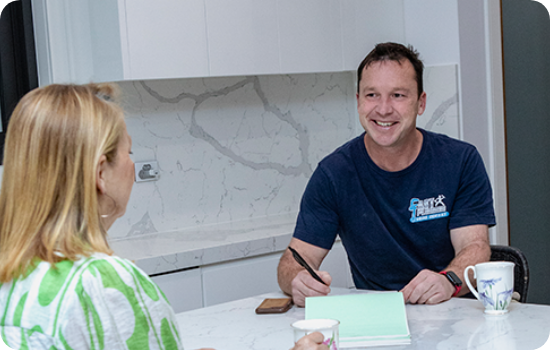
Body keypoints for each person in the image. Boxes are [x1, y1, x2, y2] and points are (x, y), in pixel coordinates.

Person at [0, 83, 326, 350]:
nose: (131, 165)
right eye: (128, 152)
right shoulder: (102, 283)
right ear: (101, 173)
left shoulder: (15, 276)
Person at [277, 42, 496, 307]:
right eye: (372, 95)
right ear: (358, 101)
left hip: (451, 311)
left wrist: (448, 280)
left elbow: (475, 247)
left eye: (398, 95)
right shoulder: (334, 173)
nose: (383, 109)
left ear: (421, 102)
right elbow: (294, 260)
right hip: (378, 319)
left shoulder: (460, 161)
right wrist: (297, 280)